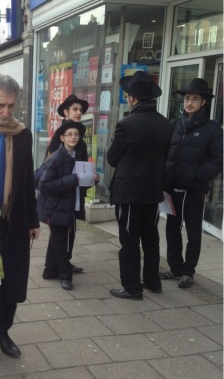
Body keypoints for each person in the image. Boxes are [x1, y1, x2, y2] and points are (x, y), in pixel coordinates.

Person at [107, 71, 170, 300]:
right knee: (151, 237)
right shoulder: (165, 123)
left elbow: (112, 158)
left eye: (127, 94)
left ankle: (132, 287)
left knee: (129, 240)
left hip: (130, 193)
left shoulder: (127, 124)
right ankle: (153, 281)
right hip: (153, 191)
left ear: (133, 98)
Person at [160, 78, 223, 289]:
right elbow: (164, 154)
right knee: (171, 229)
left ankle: (188, 271)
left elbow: (218, 160)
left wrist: (197, 175)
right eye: (187, 98)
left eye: (195, 99)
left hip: (193, 190)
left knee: (193, 232)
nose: (190, 103)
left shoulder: (213, 129)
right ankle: (175, 267)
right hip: (172, 187)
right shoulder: (174, 125)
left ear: (203, 102)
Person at [0, 74, 40, 358]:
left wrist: (33, 220)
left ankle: (3, 331)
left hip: (11, 221)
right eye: (1, 105)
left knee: (11, 281)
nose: (6, 112)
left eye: (11, 106)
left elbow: (27, 182)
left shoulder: (22, 135)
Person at [37, 120, 99, 290]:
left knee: (58, 240)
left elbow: (80, 182)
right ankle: (65, 276)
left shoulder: (77, 156)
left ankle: (50, 271)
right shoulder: (56, 157)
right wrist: (72, 180)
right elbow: (45, 185)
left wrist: (92, 180)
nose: (73, 137)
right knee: (61, 242)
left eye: (76, 134)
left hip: (69, 206)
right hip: (56, 208)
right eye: (69, 134)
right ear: (62, 138)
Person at [45, 94, 89, 274]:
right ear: (66, 112)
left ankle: (55, 265)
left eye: (81, 110)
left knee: (68, 230)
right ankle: (58, 267)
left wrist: (89, 178)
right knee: (61, 231)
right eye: (75, 109)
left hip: (75, 190)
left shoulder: (80, 139)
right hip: (62, 191)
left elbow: (84, 165)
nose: (79, 113)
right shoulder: (60, 137)